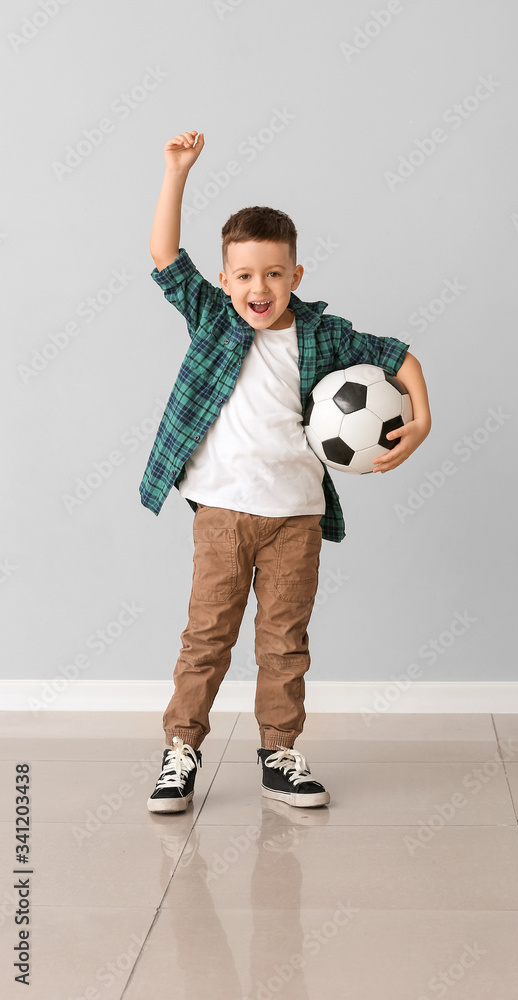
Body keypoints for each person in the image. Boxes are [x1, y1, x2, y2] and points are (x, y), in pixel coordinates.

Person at [141, 130, 431, 813]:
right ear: (224, 282)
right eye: (243, 275)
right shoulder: (212, 319)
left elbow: (398, 355)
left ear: (296, 276)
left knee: (283, 640)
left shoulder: (320, 335)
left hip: (295, 515)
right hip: (221, 509)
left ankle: (280, 753)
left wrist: (421, 421)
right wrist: (176, 171)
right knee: (207, 634)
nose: (258, 287)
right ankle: (180, 750)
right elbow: (163, 256)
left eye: (273, 273)